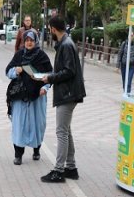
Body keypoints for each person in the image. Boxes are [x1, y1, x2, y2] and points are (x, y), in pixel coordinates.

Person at [41, 15, 86, 183]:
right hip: (69, 93)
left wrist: (50, 78)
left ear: (53, 29)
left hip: (67, 94)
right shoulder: (66, 43)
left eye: (49, 29)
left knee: (61, 131)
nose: (49, 32)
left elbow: (69, 71)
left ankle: (59, 170)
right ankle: (71, 167)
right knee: (66, 131)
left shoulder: (66, 45)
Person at [5, 30, 52, 165]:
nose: (29, 42)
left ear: (35, 41)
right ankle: (18, 154)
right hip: (20, 96)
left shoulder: (42, 56)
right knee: (19, 125)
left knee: (37, 125)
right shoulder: (19, 55)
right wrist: (16, 71)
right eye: (27, 40)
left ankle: (36, 149)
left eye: (31, 40)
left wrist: (45, 88)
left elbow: (50, 74)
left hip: (37, 96)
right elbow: (8, 71)